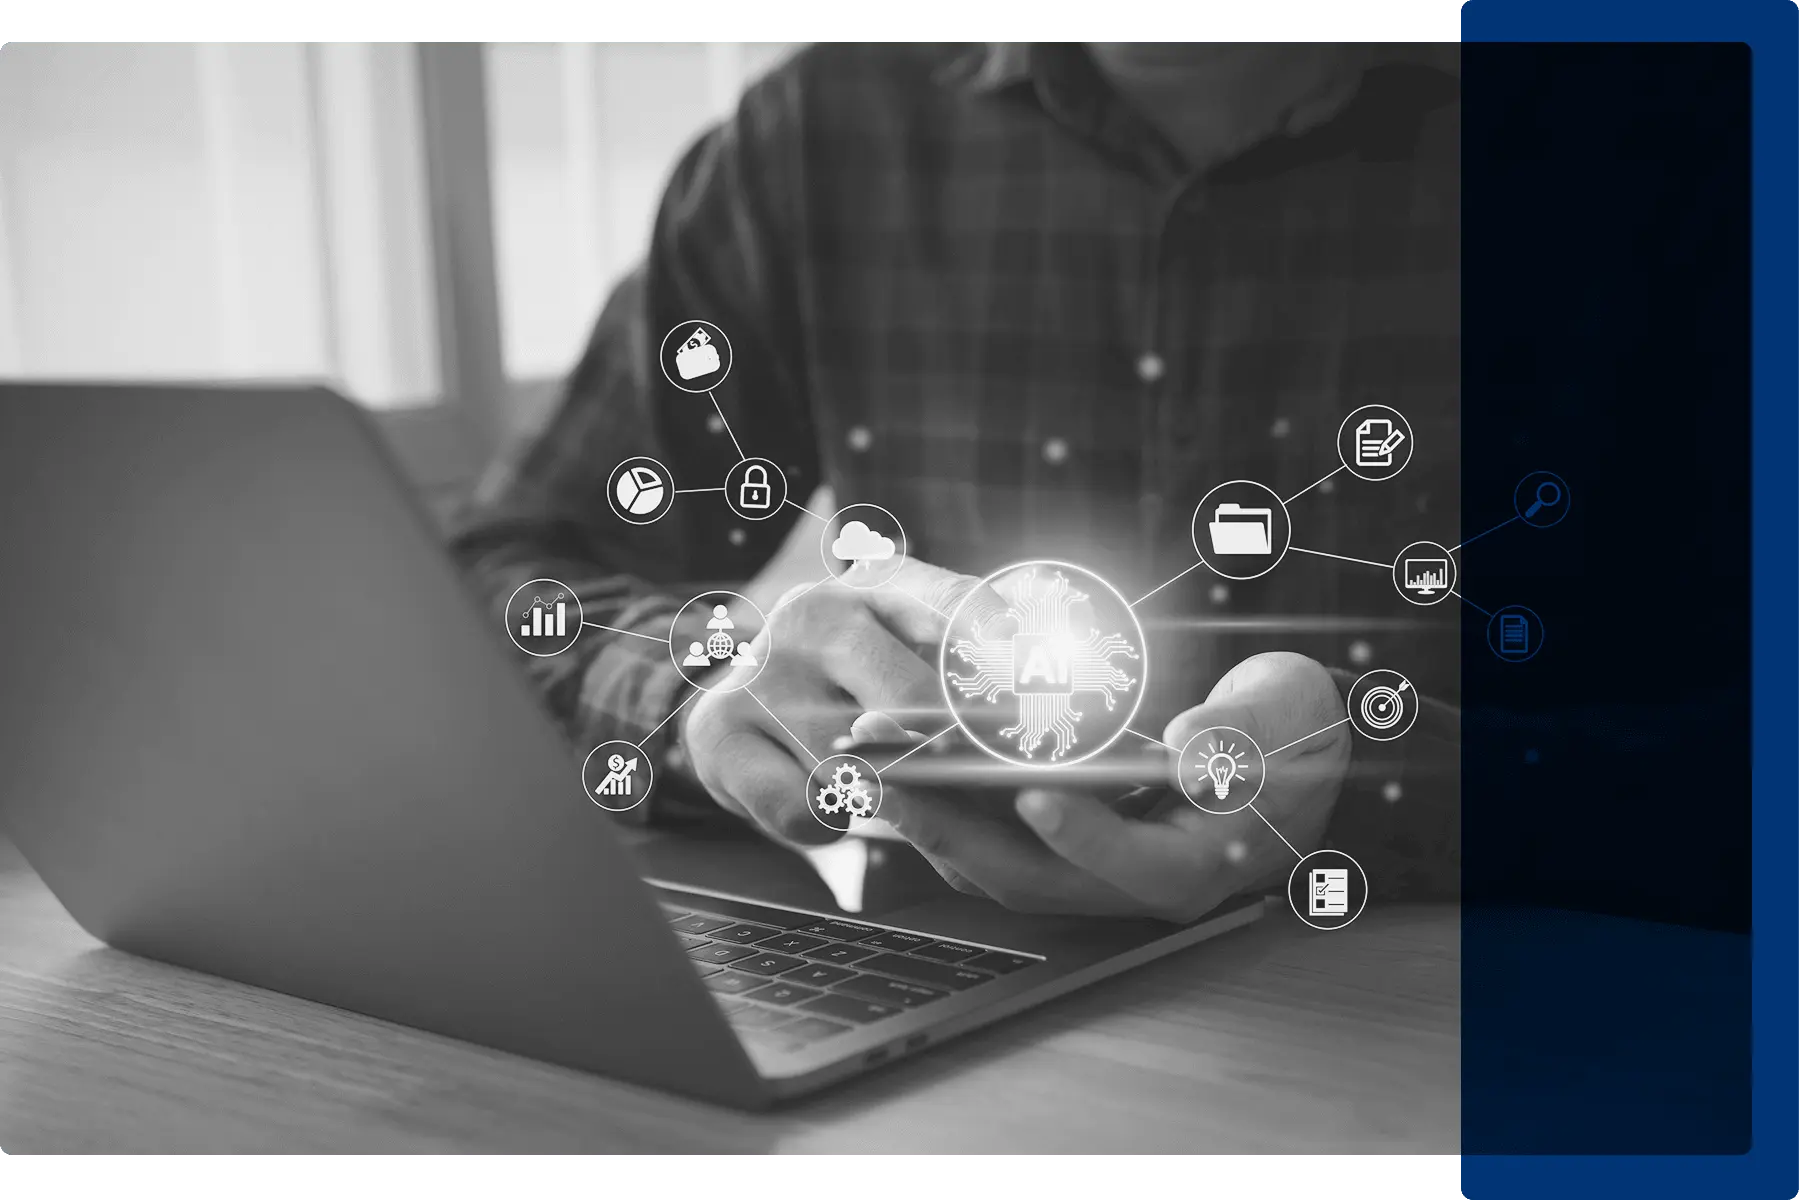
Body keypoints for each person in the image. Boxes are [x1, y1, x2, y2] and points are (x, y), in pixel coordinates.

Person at [451, 42, 1460, 922]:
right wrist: (705, 688)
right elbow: (500, 579)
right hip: (956, 981)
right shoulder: (821, 138)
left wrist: (1377, 770)